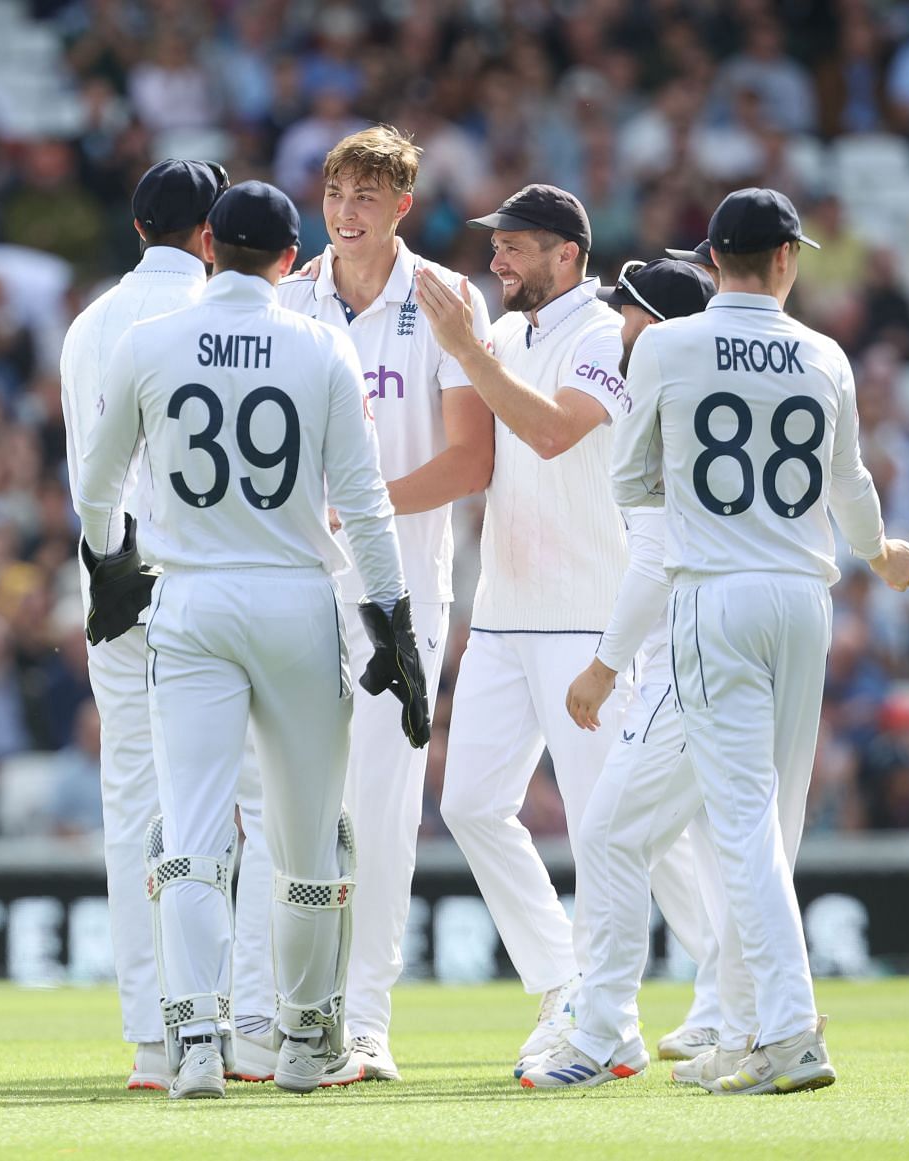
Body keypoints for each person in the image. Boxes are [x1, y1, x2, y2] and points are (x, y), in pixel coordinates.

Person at [525, 188, 909, 1094]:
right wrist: (879, 552)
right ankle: (741, 1024)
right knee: (758, 830)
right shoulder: (824, 353)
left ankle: (782, 1030)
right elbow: (849, 476)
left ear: (713, 260)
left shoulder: (665, 345)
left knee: (735, 826)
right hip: (805, 598)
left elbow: (633, 477)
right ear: (787, 259)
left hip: (716, 597)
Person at [74, 181, 428, 1099]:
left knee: (188, 833)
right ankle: (307, 1040)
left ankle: (194, 1040)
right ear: (286, 258)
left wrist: (110, 560)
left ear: (210, 248)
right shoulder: (322, 344)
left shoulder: (149, 343)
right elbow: (368, 502)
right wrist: (394, 622)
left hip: (187, 602)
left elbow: (96, 483)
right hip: (294, 600)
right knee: (309, 839)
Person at [271, 125, 494, 1082]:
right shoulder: (286, 299)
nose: (346, 211)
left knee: (383, 807)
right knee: (284, 807)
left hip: (397, 590)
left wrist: (357, 507)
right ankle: (284, 1015)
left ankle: (366, 1023)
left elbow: (470, 459)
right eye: (335, 193)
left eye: (367, 195)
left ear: (403, 205)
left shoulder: (443, 297)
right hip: (291, 586)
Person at [58, 158, 278, 1092]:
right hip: (208, 575)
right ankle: (253, 1019)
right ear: (208, 235)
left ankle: (156, 1033)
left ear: (140, 227)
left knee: (136, 805)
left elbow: (89, 471)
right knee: (259, 801)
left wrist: (109, 558)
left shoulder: (86, 325)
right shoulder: (234, 319)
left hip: (112, 582)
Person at [411, 184, 634, 1069]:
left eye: (516, 246)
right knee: (468, 804)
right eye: (495, 245)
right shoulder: (504, 337)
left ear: (567, 255)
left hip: (589, 619)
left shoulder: (607, 332)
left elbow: (551, 436)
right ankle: (565, 985)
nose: (497, 260)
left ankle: (624, 1021)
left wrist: (464, 346)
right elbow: (472, 453)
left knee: (606, 829)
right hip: (504, 616)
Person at [555, 256, 728, 1077]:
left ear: (656, 328)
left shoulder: (660, 410)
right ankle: (738, 1007)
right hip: (754, 644)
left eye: (627, 311)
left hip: (689, 656)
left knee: (612, 833)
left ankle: (603, 1030)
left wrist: (601, 665)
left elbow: (654, 561)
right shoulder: (720, 399)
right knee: (714, 842)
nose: (615, 323)